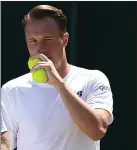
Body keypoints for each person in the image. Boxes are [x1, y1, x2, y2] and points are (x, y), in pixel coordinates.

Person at [1, 4, 114, 150]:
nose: (40, 48)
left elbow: (97, 130)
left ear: (65, 40)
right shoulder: (11, 89)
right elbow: (5, 142)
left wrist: (59, 84)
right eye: (33, 40)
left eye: (47, 39)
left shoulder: (93, 79)